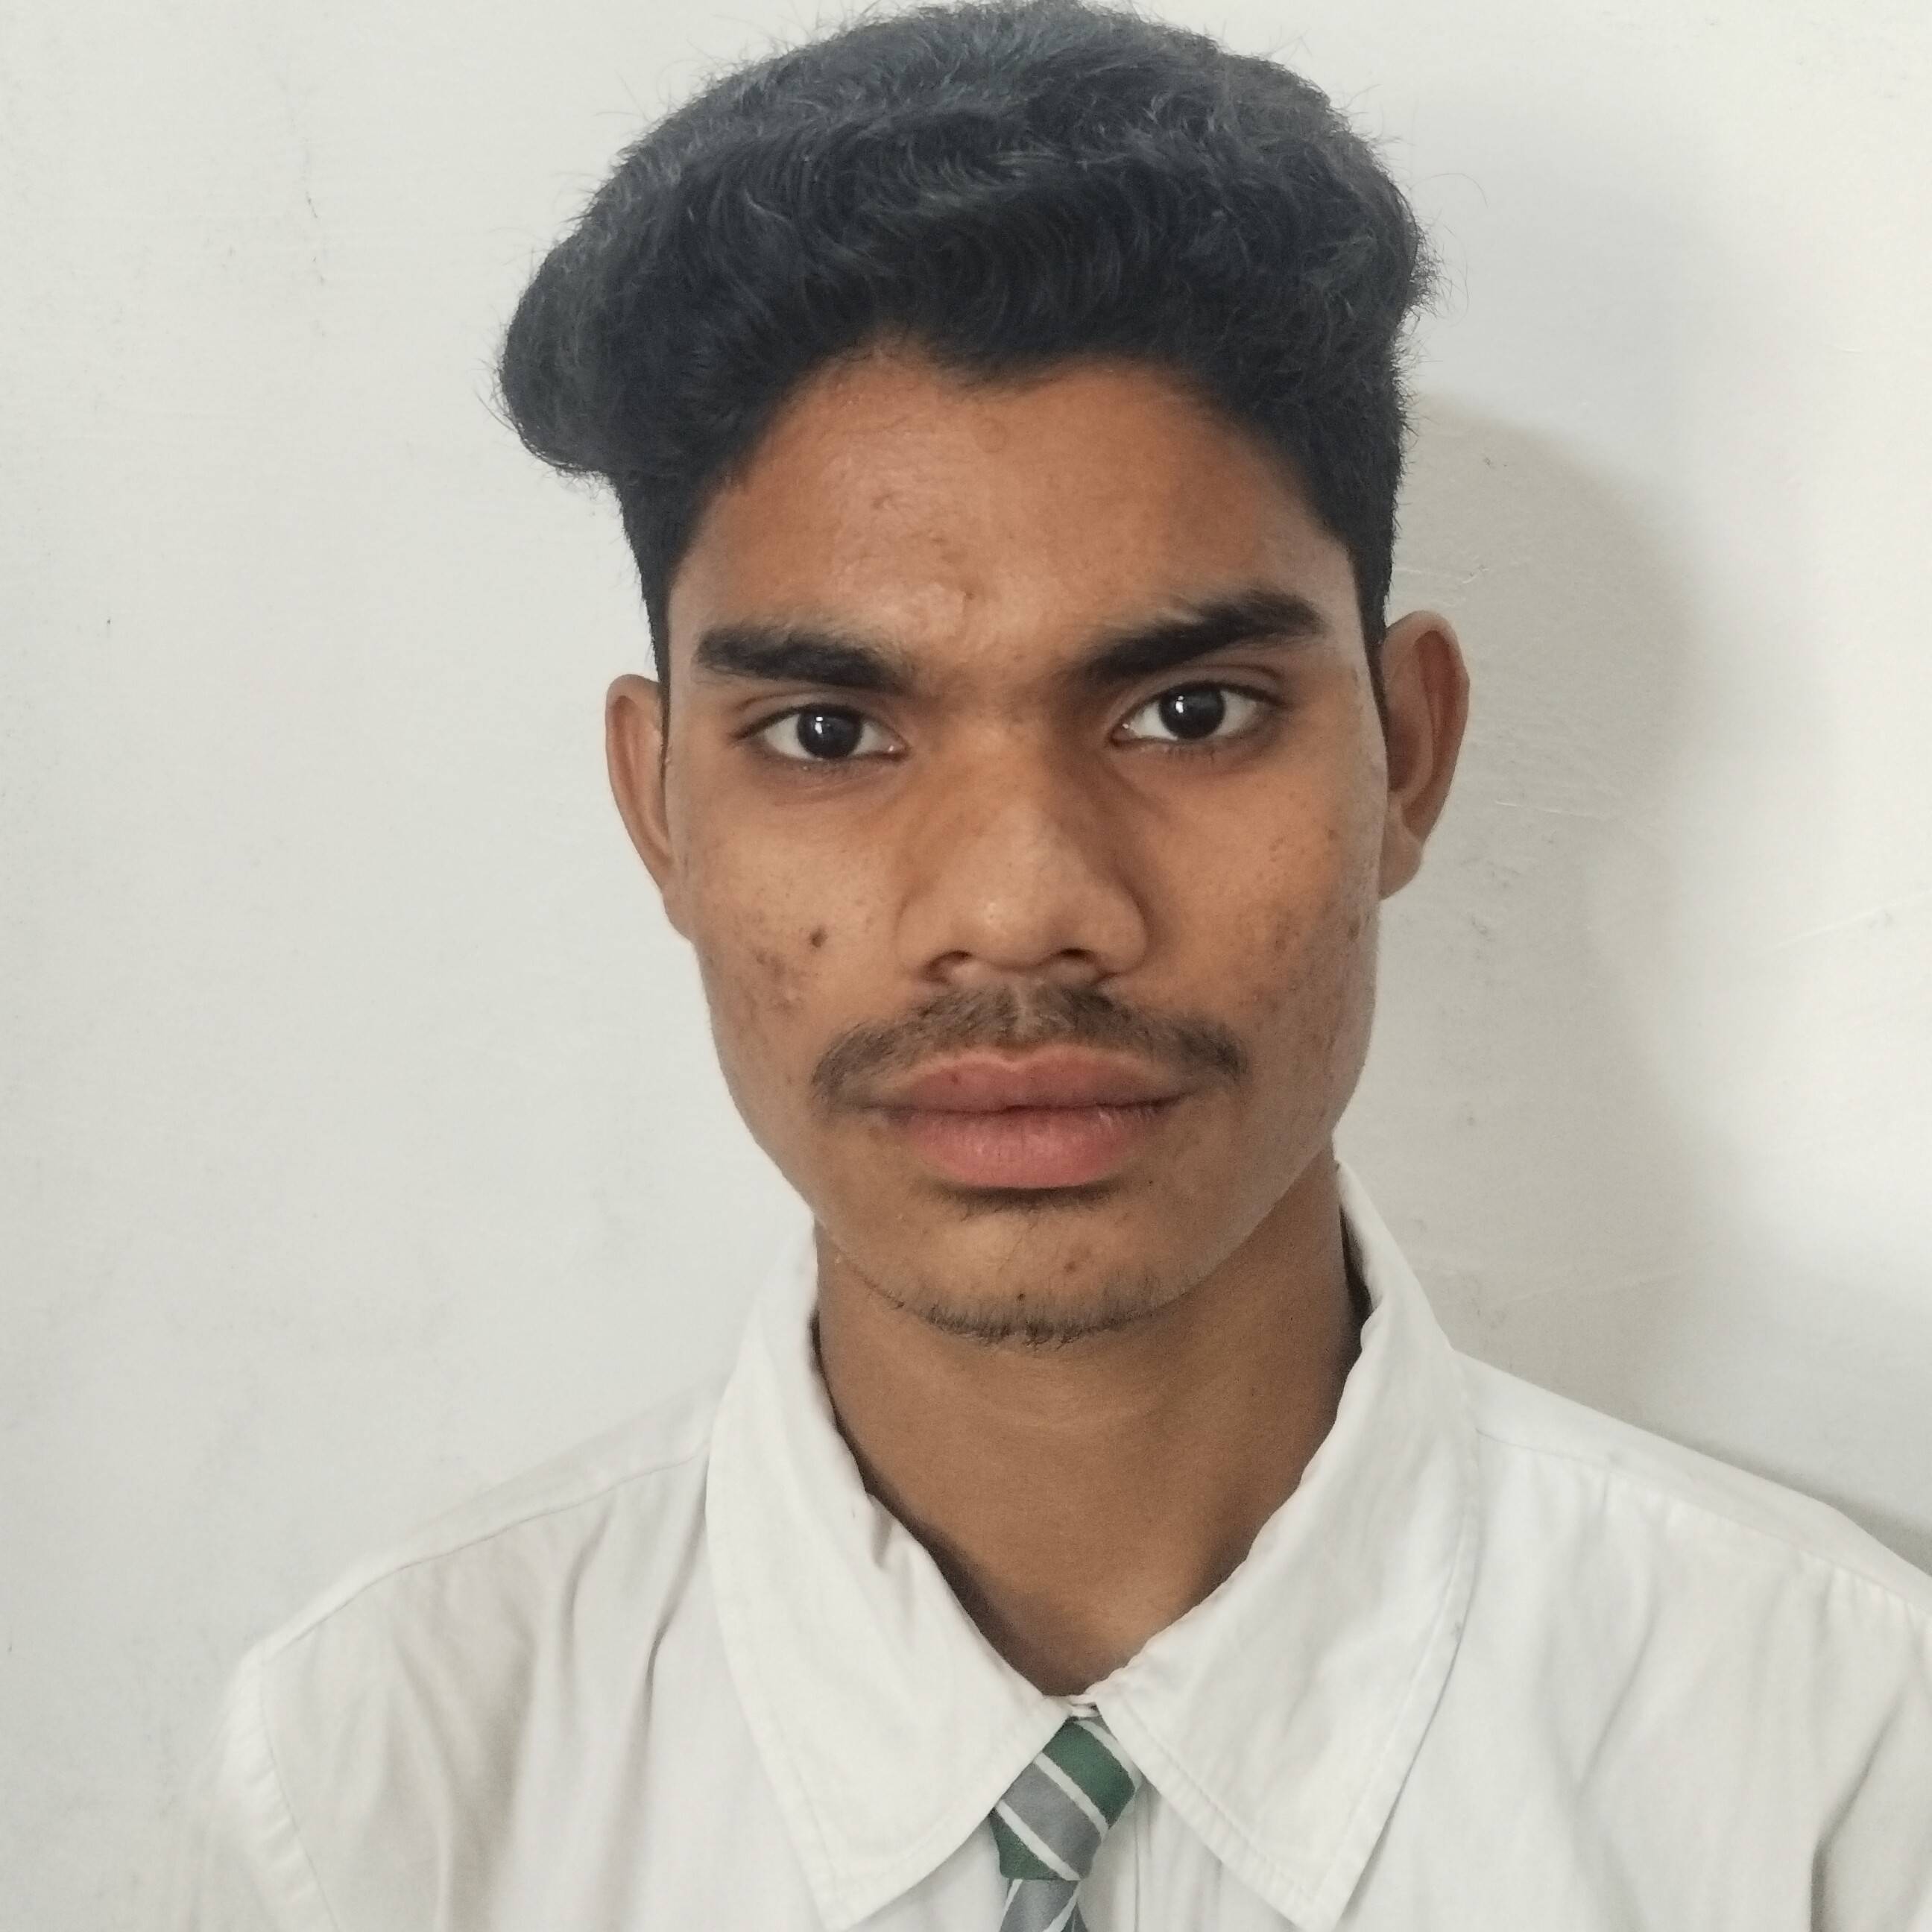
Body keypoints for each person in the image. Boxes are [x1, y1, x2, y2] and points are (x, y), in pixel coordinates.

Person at [163, 1, 1932, 1925]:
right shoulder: (374, 1792)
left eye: (1189, 711)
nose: (1019, 907)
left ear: (1406, 758)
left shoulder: (1841, 1768)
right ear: (661, 808)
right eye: (830, 733)